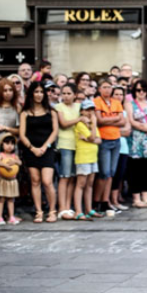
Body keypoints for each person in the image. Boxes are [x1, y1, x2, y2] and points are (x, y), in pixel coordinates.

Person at [19, 81, 59, 223]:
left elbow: (55, 131)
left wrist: (44, 146)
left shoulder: (51, 111)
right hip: (31, 149)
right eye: (36, 92)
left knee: (47, 181)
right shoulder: (25, 113)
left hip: (47, 149)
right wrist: (32, 148)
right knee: (35, 181)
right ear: (31, 94)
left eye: (41, 92)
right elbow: (22, 134)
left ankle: (53, 210)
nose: (39, 95)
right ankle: (39, 211)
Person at [92, 79, 125, 215]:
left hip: (116, 139)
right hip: (104, 140)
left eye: (109, 87)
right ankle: (96, 201)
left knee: (111, 172)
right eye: (104, 87)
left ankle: (105, 201)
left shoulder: (116, 102)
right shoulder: (97, 102)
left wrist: (107, 120)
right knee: (104, 172)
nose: (107, 90)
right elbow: (99, 120)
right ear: (99, 89)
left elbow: (122, 121)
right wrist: (114, 119)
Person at [125, 79, 147, 208]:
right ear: (134, 91)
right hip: (135, 140)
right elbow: (131, 120)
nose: (141, 92)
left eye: (144, 90)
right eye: (138, 90)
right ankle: (136, 198)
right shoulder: (130, 103)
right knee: (135, 169)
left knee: (146, 168)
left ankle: (145, 196)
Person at [54, 84, 81, 219]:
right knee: (64, 176)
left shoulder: (78, 106)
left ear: (75, 95)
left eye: (69, 93)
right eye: (63, 93)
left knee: (72, 177)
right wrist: (79, 119)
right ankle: (61, 207)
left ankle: (68, 206)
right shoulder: (59, 107)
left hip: (78, 144)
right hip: (65, 144)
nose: (66, 96)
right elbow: (63, 123)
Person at [73, 99, 102, 220]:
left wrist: (90, 137)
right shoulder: (80, 124)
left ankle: (89, 209)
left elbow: (99, 140)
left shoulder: (91, 125)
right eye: (87, 110)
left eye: (91, 110)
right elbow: (92, 137)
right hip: (83, 157)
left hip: (92, 157)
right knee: (81, 184)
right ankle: (78, 211)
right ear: (81, 111)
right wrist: (93, 127)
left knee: (90, 184)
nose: (90, 112)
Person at [0, 135, 21, 225]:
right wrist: (5, 165)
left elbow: (20, 162)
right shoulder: (1, 155)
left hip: (12, 181)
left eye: (12, 144)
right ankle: (0, 217)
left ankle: (11, 217)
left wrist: (15, 162)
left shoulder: (14, 156)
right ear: (2, 144)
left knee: (11, 200)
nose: (10, 146)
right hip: (3, 180)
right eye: (7, 143)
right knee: (1, 199)